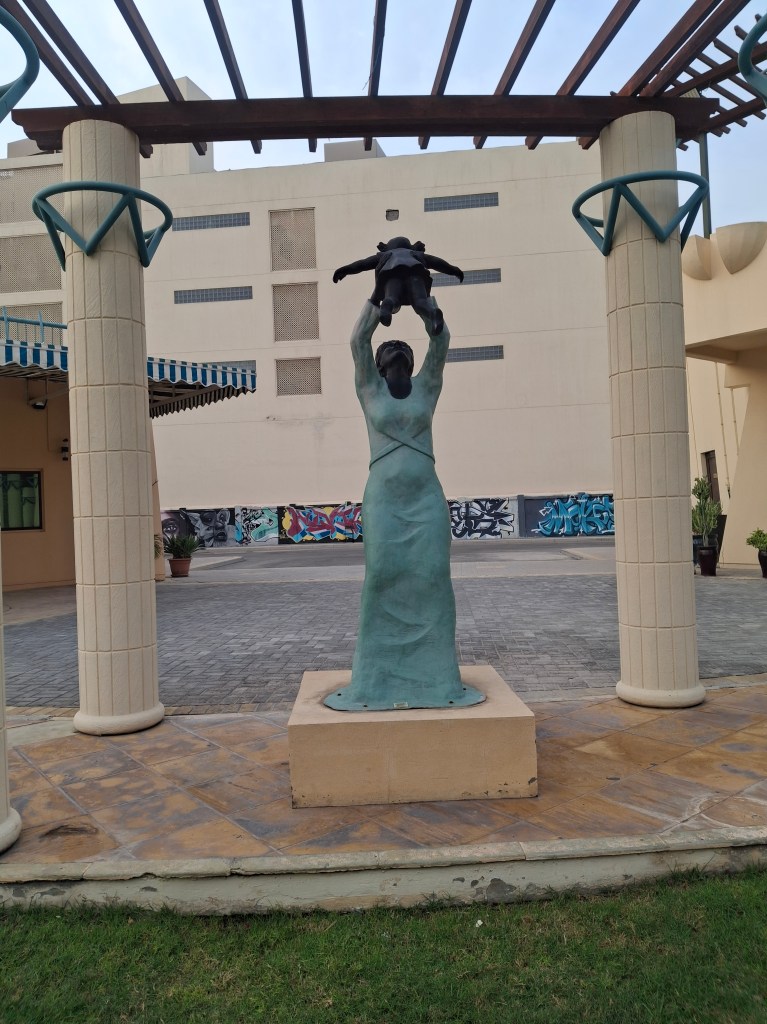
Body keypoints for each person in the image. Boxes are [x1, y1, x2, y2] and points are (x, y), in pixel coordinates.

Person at [324, 298, 484, 711]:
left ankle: (436, 674)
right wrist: (381, 298)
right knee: (381, 575)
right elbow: (359, 340)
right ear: (378, 366)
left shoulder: (427, 389)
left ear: (412, 364)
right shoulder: (369, 390)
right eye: (389, 349)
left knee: (432, 575)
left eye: (404, 350)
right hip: (384, 502)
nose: (396, 349)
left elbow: (441, 345)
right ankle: (376, 676)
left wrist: (427, 307)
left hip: (426, 501)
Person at [332, 236, 463, 335]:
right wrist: (454, 270)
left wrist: (345, 270)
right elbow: (437, 262)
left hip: (392, 273)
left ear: (388, 247)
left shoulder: (386, 254)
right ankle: (433, 313)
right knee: (420, 302)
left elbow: (362, 264)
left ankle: (387, 305)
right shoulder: (416, 254)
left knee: (392, 298)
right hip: (416, 273)